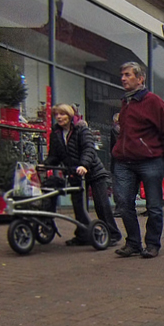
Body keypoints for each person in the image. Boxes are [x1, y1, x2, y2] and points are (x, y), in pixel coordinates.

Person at [111, 62, 164, 258]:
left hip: (150, 161)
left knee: (153, 206)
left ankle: (152, 244)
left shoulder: (154, 102)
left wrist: (161, 154)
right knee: (124, 203)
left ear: (140, 79)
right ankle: (133, 243)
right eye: (122, 75)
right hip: (124, 161)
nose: (123, 78)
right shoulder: (126, 102)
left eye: (128, 75)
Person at [44, 104, 122, 245]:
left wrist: (84, 165)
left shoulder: (81, 129)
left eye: (62, 114)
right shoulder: (55, 132)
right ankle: (83, 235)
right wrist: (45, 164)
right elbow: (54, 155)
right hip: (74, 172)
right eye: (56, 115)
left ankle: (112, 234)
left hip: (92, 170)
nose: (59, 117)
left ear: (69, 115)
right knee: (78, 205)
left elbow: (88, 149)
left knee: (101, 204)